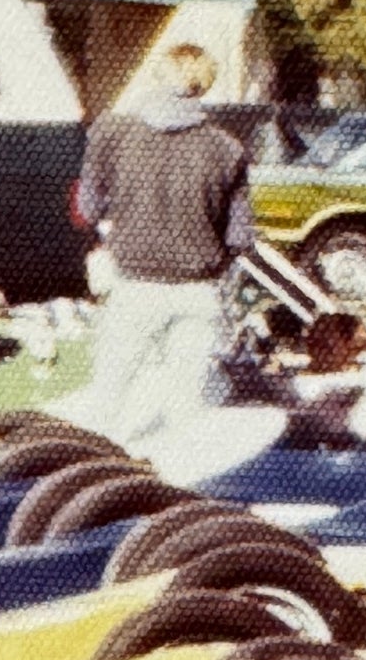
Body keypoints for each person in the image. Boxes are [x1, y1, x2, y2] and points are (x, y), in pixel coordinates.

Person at [74, 43, 254, 445]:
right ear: (204, 85)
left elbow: (87, 208)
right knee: (185, 407)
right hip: (198, 290)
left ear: (157, 75)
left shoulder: (113, 132)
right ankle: (176, 492)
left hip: (135, 286)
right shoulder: (227, 148)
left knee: (108, 395)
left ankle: (88, 483)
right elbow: (240, 236)